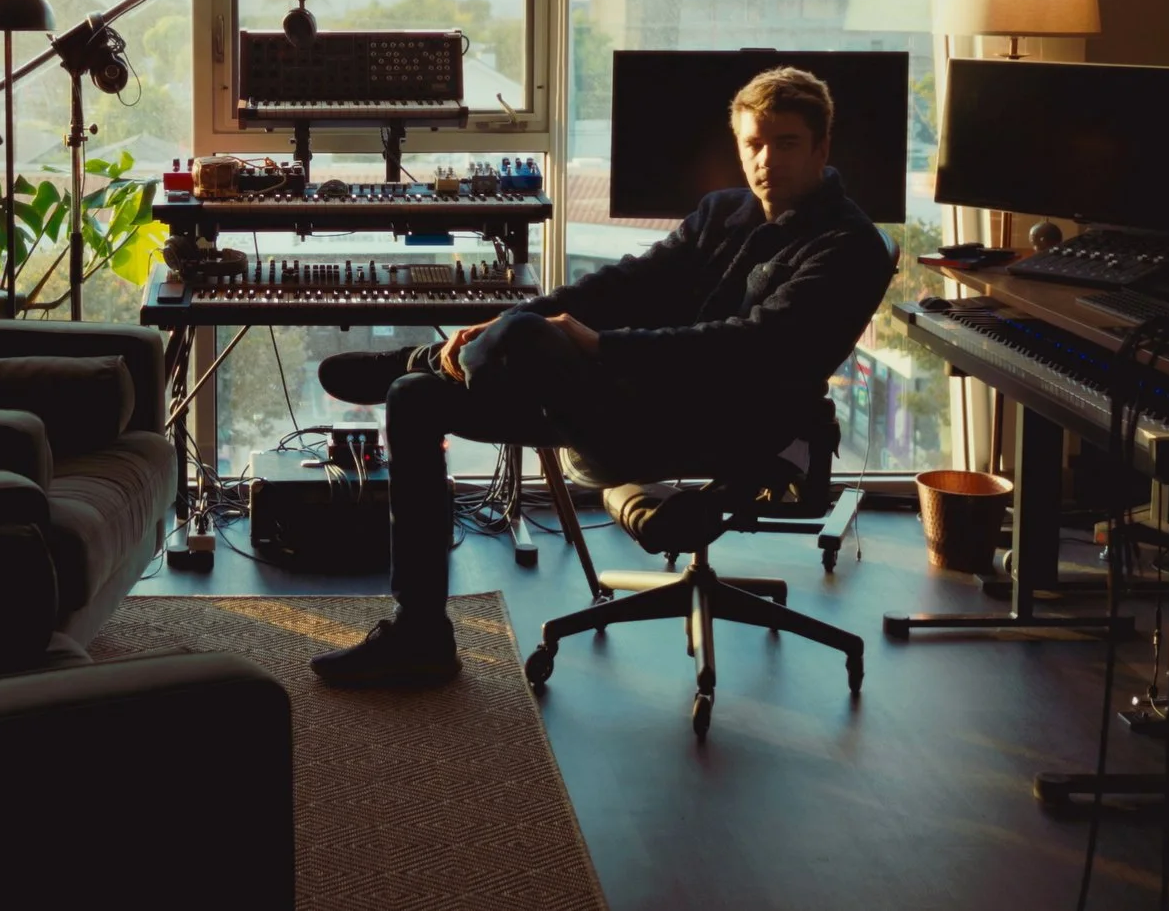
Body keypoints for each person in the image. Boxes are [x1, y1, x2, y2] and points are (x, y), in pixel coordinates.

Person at [306, 66, 896, 687]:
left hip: (719, 419)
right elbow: (623, 284)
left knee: (536, 339)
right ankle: (421, 632)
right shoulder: (726, 213)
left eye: (787, 143)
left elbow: (750, 350)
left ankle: (421, 356)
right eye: (754, 143)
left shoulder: (845, 246)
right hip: (635, 398)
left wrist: (600, 345)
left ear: (822, 149)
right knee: (415, 400)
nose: (766, 159)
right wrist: (502, 323)